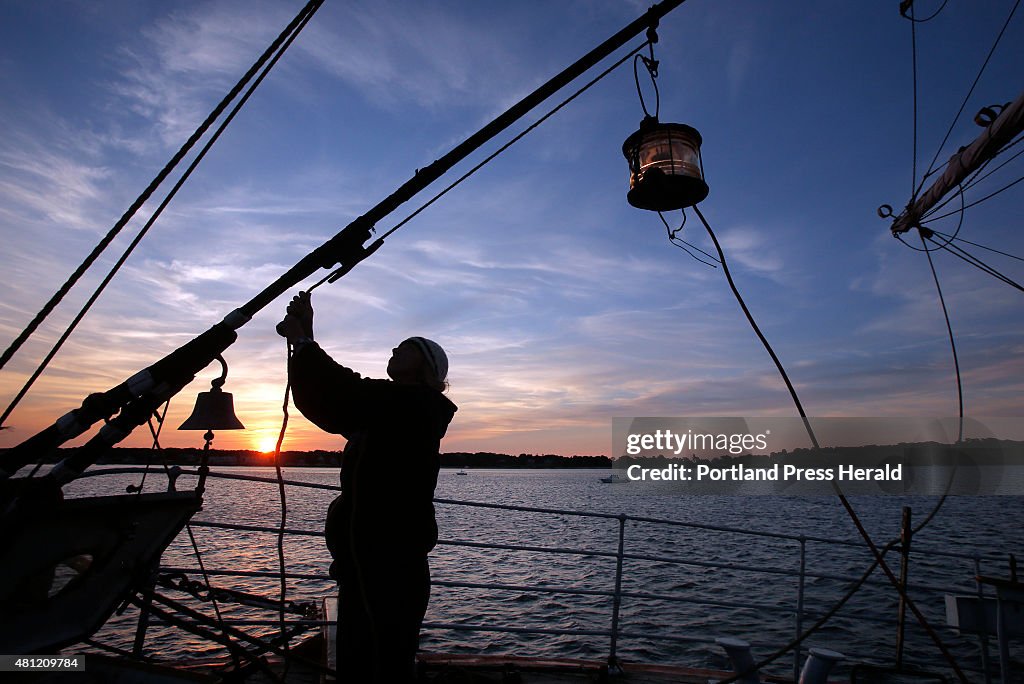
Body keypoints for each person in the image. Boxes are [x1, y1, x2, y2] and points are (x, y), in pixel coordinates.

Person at [277, 291, 457, 682]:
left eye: (405, 349)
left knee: (378, 656)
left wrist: (306, 342)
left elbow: (347, 393)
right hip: (371, 558)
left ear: (425, 368)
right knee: (368, 652)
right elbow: (332, 406)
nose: (394, 349)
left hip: (387, 559)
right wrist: (305, 337)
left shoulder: (413, 405)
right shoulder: (393, 412)